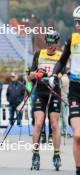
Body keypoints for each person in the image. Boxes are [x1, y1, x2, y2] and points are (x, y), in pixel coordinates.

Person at [49, 6, 80, 174]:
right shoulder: (72, 39)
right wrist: (54, 74)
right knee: (77, 135)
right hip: (76, 89)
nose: (77, 25)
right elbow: (61, 61)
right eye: (76, 21)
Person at [28, 31, 62, 170]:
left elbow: (63, 74)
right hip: (40, 92)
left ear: (56, 43)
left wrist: (55, 76)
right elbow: (29, 75)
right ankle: (35, 155)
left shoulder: (61, 56)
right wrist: (37, 74)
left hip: (54, 92)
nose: (49, 46)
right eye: (47, 42)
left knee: (54, 125)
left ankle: (57, 154)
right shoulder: (38, 54)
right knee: (38, 123)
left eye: (52, 43)